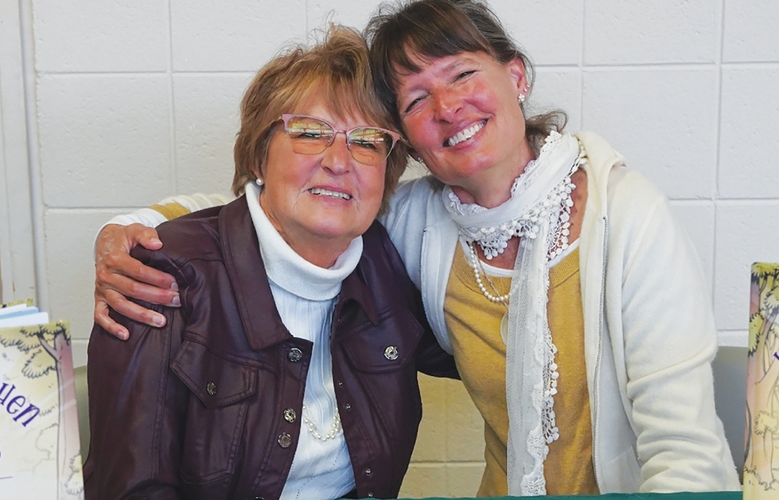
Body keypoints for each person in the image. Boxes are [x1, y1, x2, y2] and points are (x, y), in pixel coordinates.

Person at [92, 0, 741, 496]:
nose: (450, 106)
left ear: (516, 76)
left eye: (462, 74)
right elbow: (272, 212)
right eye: (417, 99)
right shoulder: (406, 227)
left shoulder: (621, 216)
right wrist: (132, 230)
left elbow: (684, 451)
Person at [83, 25, 457, 500]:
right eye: (309, 132)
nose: (339, 161)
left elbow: (490, 356)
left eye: (366, 141)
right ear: (260, 155)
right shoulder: (162, 278)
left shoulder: (390, 266)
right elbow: (133, 488)